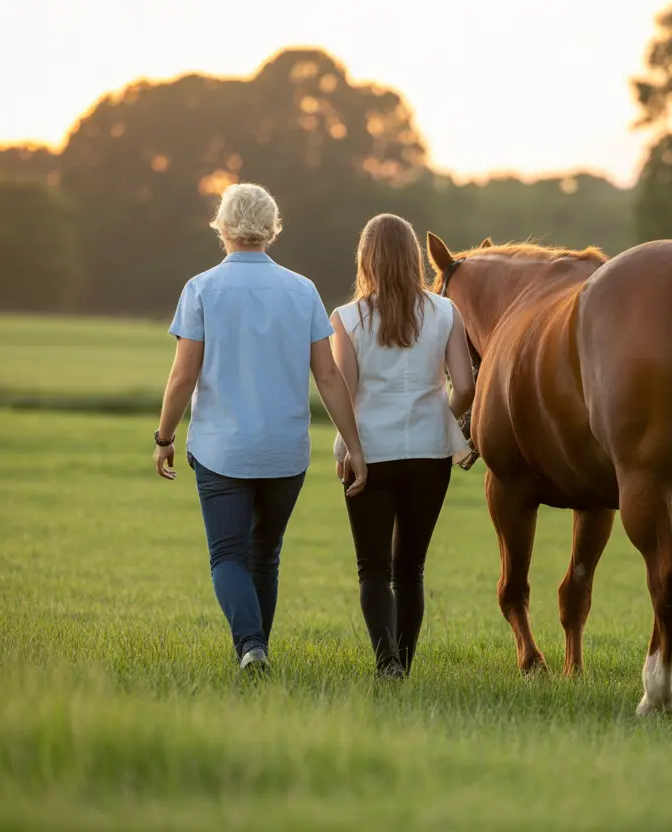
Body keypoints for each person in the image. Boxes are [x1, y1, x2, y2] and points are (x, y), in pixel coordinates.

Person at [153, 182, 368, 675]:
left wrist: (164, 438)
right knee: (264, 556)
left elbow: (184, 374)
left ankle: (251, 646)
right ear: (272, 228)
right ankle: (255, 652)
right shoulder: (302, 289)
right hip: (284, 451)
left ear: (223, 227)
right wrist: (354, 446)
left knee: (228, 555)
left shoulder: (201, 288)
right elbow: (329, 375)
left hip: (220, 448)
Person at [330, 213, 476, 679]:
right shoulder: (445, 311)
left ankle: (386, 661)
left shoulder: (347, 318)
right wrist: (443, 418)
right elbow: (467, 385)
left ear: (366, 258)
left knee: (372, 568)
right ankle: (404, 666)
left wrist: (344, 450)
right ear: (413, 256)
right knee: (410, 568)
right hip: (430, 452)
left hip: (369, 451)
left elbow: (345, 393)